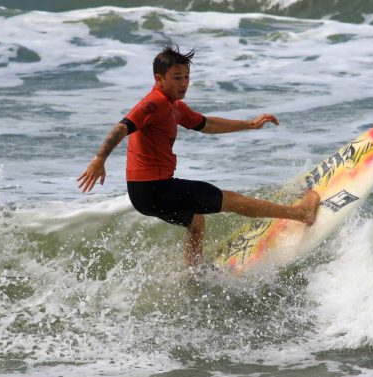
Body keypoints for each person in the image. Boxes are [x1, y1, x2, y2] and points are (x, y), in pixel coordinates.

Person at [77, 46, 320, 267]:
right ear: (158, 79)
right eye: (177, 78)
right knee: (231, 200)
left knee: (195, 220)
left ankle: (193, 274)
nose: (183, 84)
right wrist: (99, 159)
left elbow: (207, 124)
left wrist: (250, 124)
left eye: (186, 78)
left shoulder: (174, 106)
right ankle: (302, 214)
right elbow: (121, 127)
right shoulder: (154, 103)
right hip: (155, 189)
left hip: (143, 195)